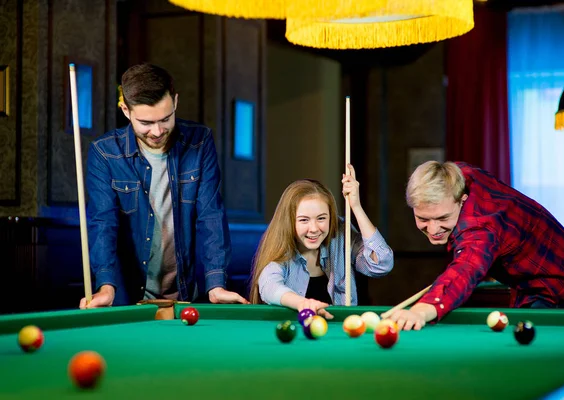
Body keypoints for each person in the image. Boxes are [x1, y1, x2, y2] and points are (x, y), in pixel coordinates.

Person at [79, 63, 248, 308]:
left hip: (186, 294)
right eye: (146, 122)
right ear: (126, 110)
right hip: (129, 298)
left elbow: (211, 215)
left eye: (165, 119)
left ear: (175, 102)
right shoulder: (105, 153)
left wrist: (216, 284)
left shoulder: (199, 142)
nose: (157, 131)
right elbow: (103, 223)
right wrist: (105, 286)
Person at [387, 161, 564, 330]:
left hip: (562, 279)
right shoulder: (458, 175)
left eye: (443, 218)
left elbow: (465, 269)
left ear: (462, 200)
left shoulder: (480, 228)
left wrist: (421, 311)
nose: (433, 229)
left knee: (531, 347)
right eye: (423, 218)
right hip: (528, 278)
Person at [249, 165, 394, 318]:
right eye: (304, 220)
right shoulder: (282, 249)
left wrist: (356, 206)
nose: (314, 228)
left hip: (340, 337)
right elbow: (269, 286)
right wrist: (302, 303)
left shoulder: (341, 235)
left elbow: (381, 265)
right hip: (296, 337)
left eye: (321, 218)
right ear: (289, 222)